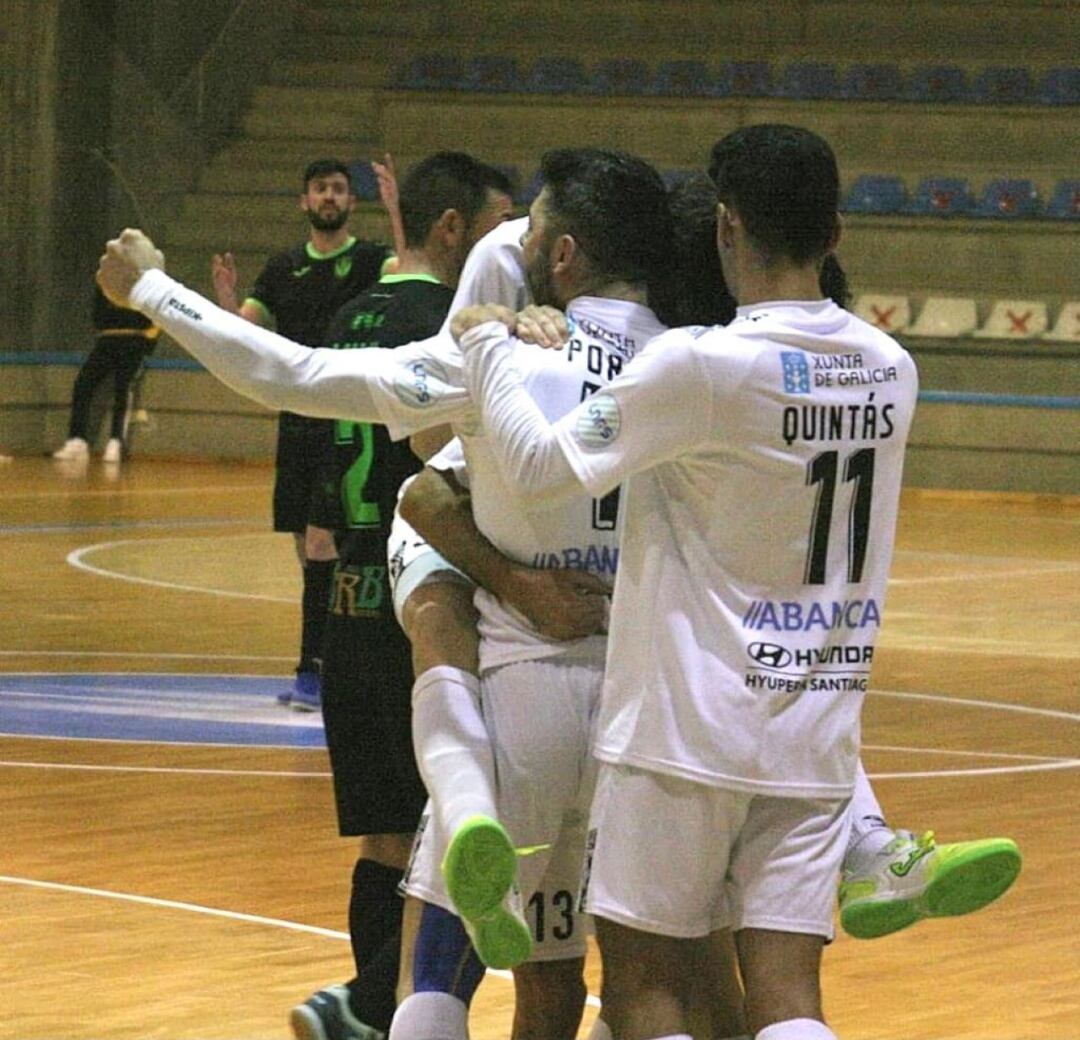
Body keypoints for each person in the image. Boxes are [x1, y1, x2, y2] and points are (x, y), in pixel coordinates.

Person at [95, 137, 1019, 1038]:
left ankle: (464, 815)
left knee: (495, 963)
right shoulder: (719, 353)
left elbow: (292, 374)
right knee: (708, 987)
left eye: (528, 230)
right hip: (693, 691)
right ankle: (872, 837)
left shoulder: (558, 358)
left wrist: (150, 289)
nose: (516, 245)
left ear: (562, 253)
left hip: (596, 715)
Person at [444, 123, 942, 1040]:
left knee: (646, 986)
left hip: (685, 731)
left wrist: (486, 346)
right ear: (834, 233)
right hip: (817, 729)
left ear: (725, 227)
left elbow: (543, 467)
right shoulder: (892, 368)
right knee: (788, 999)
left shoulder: (701, 365)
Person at [282, 152, 515, 1040]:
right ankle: (372, 1003)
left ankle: (365, 1011)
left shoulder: (350, 315)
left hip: (346, 590)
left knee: (386, 834)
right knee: (465, 841)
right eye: (500, 226)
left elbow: (305, 434)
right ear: (455, 228)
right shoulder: (454, 329)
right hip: (427, 593)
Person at [211, 158, 392, 711]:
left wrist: (397, 214)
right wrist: (223, 302)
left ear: (351, 201)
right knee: (309, 550)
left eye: (339, 189)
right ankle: (334, 655)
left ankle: (316, 670)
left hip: (350, 420)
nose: (330, 197)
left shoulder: (371, 260)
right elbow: (244, 333)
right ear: (304, 201)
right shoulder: (283, 267)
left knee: (325, 542)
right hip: (297, 426)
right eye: (320, 189)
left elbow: (412, 274)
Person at [52, 285, 160, 463]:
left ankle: (116, 441)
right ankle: (77, 440)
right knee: (83, 384)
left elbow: (156, 316)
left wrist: (146, 344)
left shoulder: (144, 279)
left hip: (134, 339)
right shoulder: (104, 279)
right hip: (106, 340)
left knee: (123, 388)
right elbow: (98, 312)